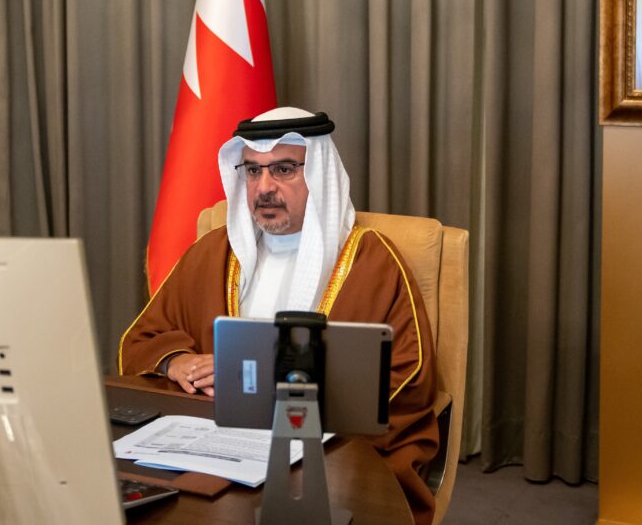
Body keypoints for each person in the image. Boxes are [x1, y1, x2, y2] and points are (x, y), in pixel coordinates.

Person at [119, 107, 439, 524]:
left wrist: (271, 387)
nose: (264, 187)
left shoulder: (372, 262)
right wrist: (175, 361)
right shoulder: (213, 252)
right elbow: (143, 338)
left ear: (319, 175)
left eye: (284, 169)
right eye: (253, 171)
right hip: (216, 446)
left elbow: (406, 376)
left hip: (329, 451)